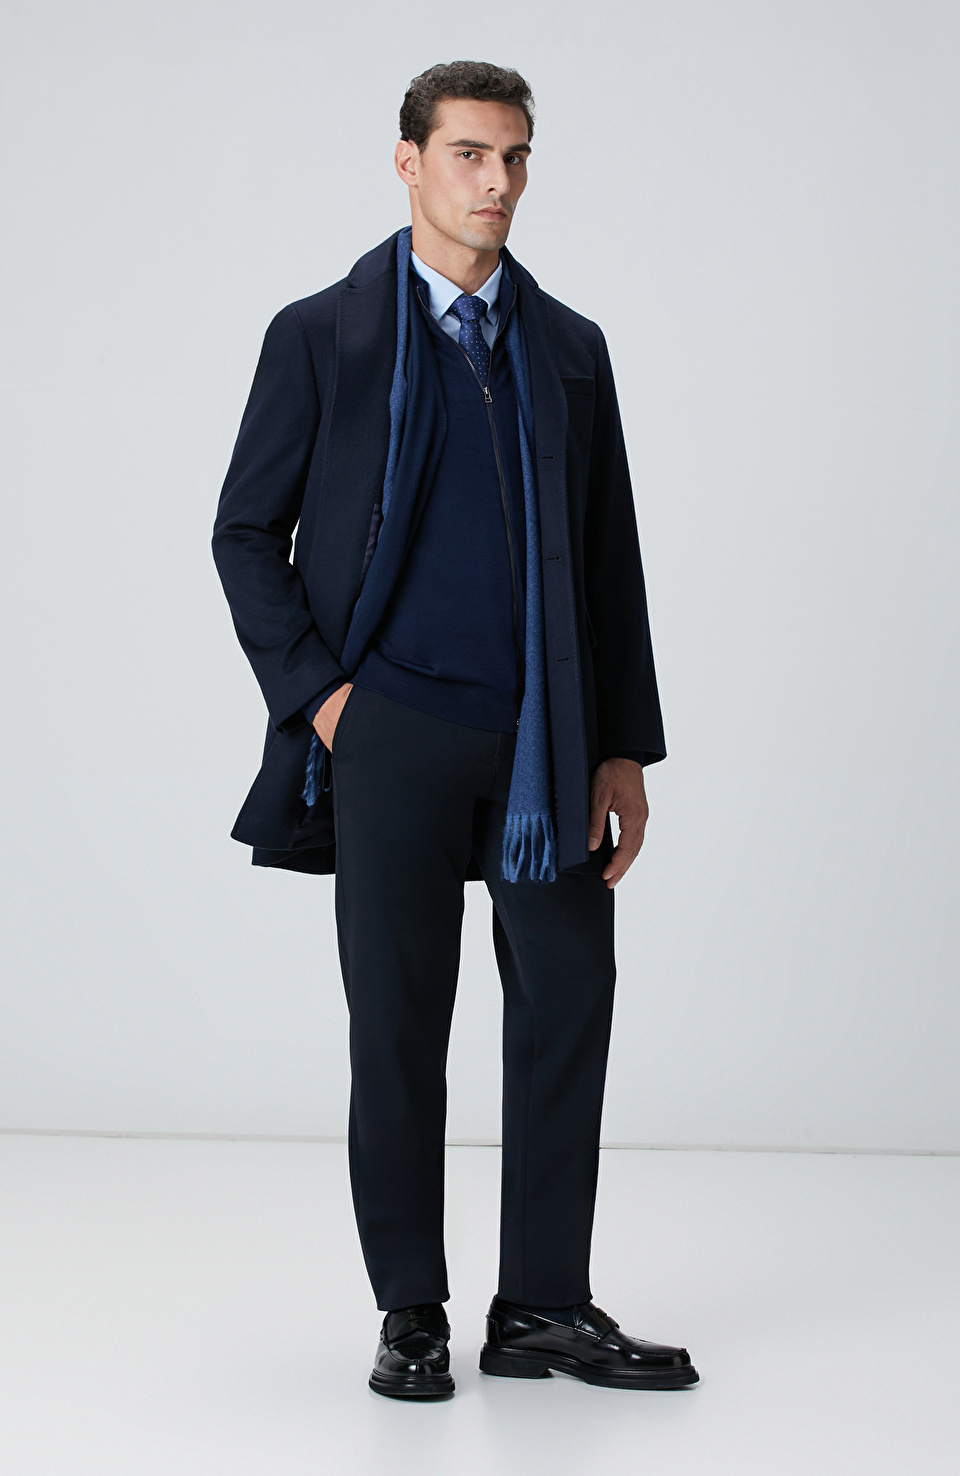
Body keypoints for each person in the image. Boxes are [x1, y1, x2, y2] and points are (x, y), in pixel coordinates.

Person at [212, 59, 698, 1400]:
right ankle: (410, 1310)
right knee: (399, 1023)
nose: (497, 182)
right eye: (471, 154)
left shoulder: (569, 348)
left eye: (516, 156)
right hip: (392, 736)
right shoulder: (325, 336)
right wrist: (325, 699)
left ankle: (541, 1303)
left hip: (547, 740)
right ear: (409, 161)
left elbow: (608, 557)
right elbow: (245, 532)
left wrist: (623, 747)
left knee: (568, 1003)